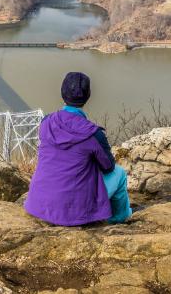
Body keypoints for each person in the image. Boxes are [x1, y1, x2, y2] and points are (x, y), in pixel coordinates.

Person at [24, 71, 132, 226]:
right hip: (74, 213)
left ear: (62, 92)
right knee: (119, 173)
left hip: (37, 205)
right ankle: (118, 218)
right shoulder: (93, 134)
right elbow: (108, 168)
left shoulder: (46, 122)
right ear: (88, 95)